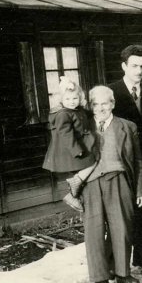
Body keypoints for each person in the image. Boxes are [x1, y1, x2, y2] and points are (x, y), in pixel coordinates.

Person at [81, 86, 142, 283]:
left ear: (113, 104)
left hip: (119, 180)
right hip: (91, 183)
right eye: (95, 104)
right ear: (90, 106)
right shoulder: (83, 126)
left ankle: (122, 272)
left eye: (105, 103)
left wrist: (140, 189)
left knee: (122, 228)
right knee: (94, 231)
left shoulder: (127, 127)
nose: (100, 108)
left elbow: (137, 161)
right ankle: (100, 278)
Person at [108, 45, 142, 273]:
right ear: (124, 66)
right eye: (134, 66)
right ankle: (116, 263)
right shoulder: (112, 93)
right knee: (120, 211)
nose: (139, 71)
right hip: (121, 160)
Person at [42, 77, 96, 211]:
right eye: (67, 99)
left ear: (80, 97)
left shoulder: (77, 110)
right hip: (71, 150)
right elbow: (66, 134)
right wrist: (75, 150)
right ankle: (75, 183)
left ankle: (74, 193)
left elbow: (87, 115)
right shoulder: (63, 114)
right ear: (60, 100)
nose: (71, 102)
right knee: (94, 162)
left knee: (93, 163)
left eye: (74, 98)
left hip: (80, 145)